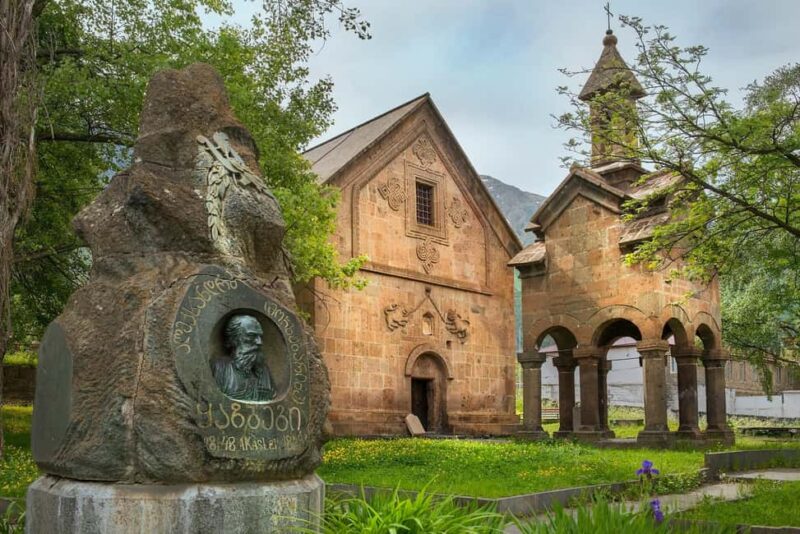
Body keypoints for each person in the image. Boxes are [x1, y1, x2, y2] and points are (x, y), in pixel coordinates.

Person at [213, 314, 275, 401]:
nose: (259, 342)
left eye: (260, 336)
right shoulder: (220, 368)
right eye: (251, 336)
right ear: (234, 339)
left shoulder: (264, 371)